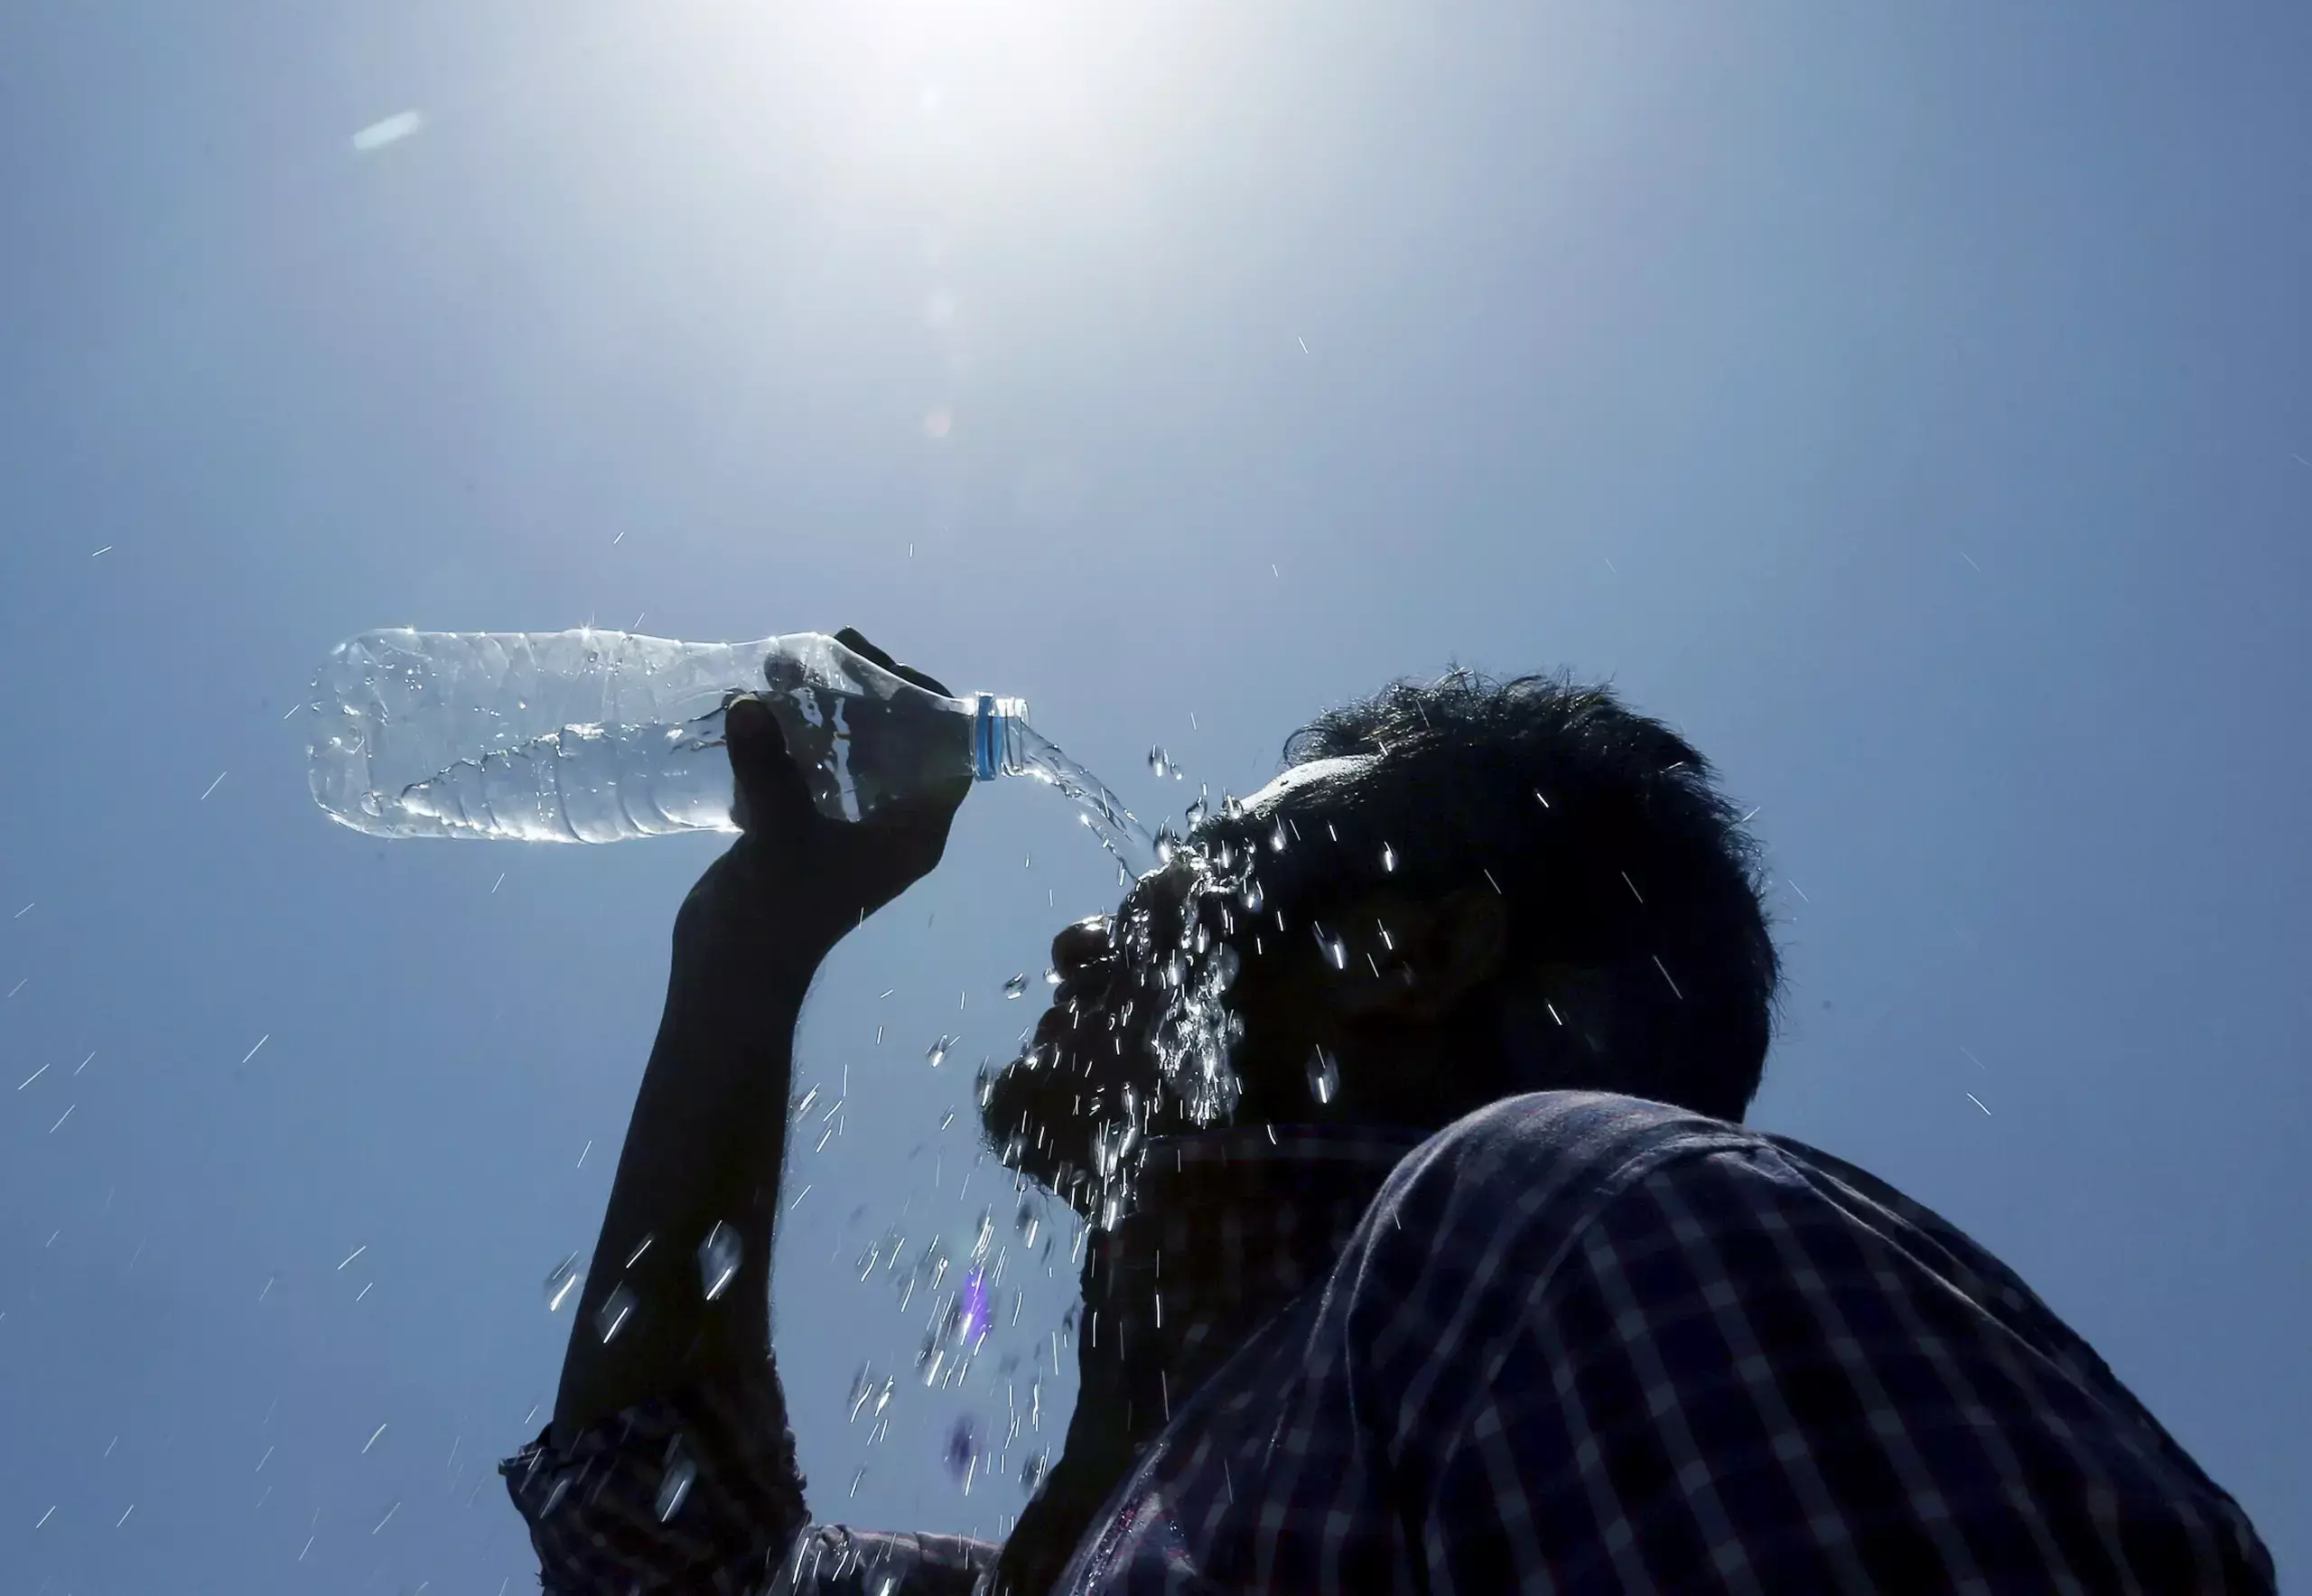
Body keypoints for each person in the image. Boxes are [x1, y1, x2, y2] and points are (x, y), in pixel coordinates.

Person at [503, 632, 2273, 1593]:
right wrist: (752, 941)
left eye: (1200, 872)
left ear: (1410, 952)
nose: (1084, 935)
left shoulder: (1567, 1229)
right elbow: (662, 1551)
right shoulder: (1139, 1521)